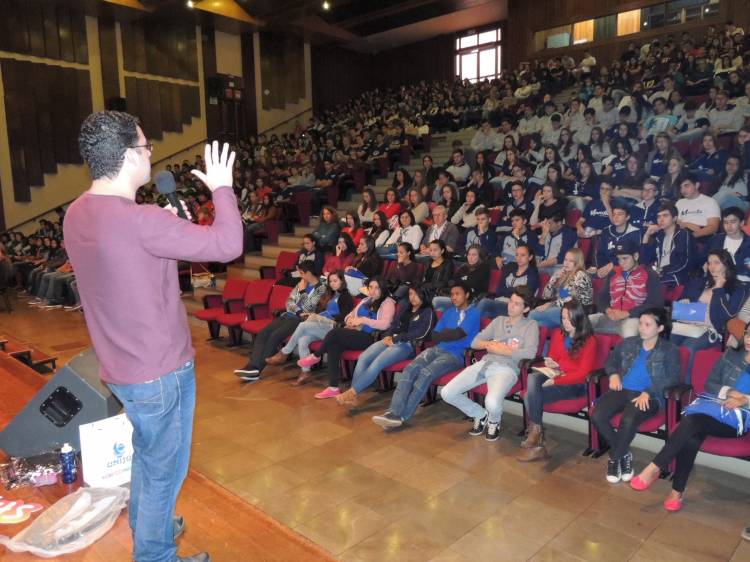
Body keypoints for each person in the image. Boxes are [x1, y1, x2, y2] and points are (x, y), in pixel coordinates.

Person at [65, 112, 243, 562]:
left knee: (148, 456)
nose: (150, 154)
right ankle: (155, 554)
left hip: (121, 367)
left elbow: (125, 261)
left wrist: (165, 227)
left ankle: (152, 527)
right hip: (160, 370)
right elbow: (228, 245)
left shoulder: (77, 213)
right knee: (164, 470)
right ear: (128, 156)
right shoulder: (142, 221)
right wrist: (222, 187)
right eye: (145, 147)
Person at [631, 322, 750, 511]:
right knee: (692, 435)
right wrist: (730, 392)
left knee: (691, 423)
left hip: (738, 420)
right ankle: (675, 491)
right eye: (748, 334)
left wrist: (744, 400)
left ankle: (657, 468)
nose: (749, 339)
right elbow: (710, 384)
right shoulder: (731, 355)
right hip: (712, 408)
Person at [371, 282, 480, 429]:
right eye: (452, 294)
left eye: (457, 294)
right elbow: (434, 335)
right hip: (437, 348)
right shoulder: (449, 312)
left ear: (466, 295)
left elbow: (458, 333)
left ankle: (402, 416)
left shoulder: (474, 313)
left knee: (425, 373)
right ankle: (393, 412)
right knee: (410, 369)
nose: (453, 297)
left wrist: (446, 334)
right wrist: (449, 334)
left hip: (456, 355)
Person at [591, 308, 680, 484]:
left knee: (629, 419)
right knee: (598, 415)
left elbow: (673, 378)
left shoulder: (670, 350)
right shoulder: (628, 343)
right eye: (640, 323)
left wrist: (649, 392)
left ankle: (614, 459)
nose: (642, 328)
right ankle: (624, 454)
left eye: (647, 324)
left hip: (650, 396)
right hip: (623, 389)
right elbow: (610, 361)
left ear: (660, 328)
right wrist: (613, 374)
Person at [441, 287, 539, 441]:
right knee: (447, 393)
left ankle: (494, 421)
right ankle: (480, 414)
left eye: (517, 304)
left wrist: (504, 351)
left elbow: (530, 353)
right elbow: (474, 342)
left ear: (526, 308)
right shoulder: (498, 321)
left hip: (507, 369)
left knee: (492, 402)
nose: (511, 306)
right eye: (511, 301)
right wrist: (490, 344)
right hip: (485, 363)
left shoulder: (531, 325)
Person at [517, 299, 597, 461]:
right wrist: (551, 363)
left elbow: (583, 374)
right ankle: (537, 434)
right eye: (563, 318)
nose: (565, 322)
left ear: (578, 318)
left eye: (569, 318)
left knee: (528, 396)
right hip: (557, 374)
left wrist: (555, 381)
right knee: (533, 377)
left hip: (575, 385)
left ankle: (537, 439)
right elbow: (554, 358)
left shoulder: (590, 341)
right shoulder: (558, 334)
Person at [336, 287, 437, 408]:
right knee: (364, 357)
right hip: (391, 340)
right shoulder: (406, 307)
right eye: (410, 294)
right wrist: (388, 335)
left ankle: (352, 392)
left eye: (416, 294)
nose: (412, 297)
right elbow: (394, 324)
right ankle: (353, 394)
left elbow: (421, 333)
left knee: (377, 362)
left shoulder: (428, 312)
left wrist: (396, 339)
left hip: (407, 345)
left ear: (423, 295)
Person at [298, 277, 396, 399]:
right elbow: (350, 314)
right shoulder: (365, 300)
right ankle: (333, 387)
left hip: (369, 338)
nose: (373, 290)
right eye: (371, 287)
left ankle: (316, 355)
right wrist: (349, 320)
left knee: (334, 333)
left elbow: (385, 324)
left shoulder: (388, 303)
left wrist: (364, 320)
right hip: (354, 333)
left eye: (377, 288)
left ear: (383, 289)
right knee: (334, 345)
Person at [234, 262, 326, 382]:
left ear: (308, 273)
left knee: (275, 336)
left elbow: (308, 307)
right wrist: (298, 310)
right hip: (288, 315)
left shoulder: (320, 288)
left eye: (302, 273)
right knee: (263, 333)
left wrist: (302, 292)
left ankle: (257, 369)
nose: (300, 276)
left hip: (300, 321)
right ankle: (252, 366)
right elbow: (289, 301)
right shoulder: (301, 283)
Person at [267, 270, 353, 386]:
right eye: (330, 281)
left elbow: (345, 317)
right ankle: (305, 372)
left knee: (302, 325)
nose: (332, 283)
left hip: (334, 328)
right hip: (321, 326)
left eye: (335, 281)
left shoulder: (346, 297)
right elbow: (320, 310)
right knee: (303, 340)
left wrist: (324, 317)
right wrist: (313, 315)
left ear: (342, 281)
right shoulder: (330, 294)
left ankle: (284, 352)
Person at [671, 249, 748, 366]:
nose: (712, 266)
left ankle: (686, 379)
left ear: (726, 265)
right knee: (671, 341)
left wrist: (719, 288)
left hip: (712, 331)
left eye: (716, 262)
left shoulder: (738, 288)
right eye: (709, 263)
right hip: (688, 325)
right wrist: (684, 302)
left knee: (689, 346)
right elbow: (680, 304)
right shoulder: (701, 282)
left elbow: (728, 315)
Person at [590, 241, 663, 338]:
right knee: (579, 323)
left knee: (629, 332)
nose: (621, 263)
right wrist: (607, 310)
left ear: (636, 256)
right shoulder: (613, 273)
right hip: (610, 316)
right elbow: (601, 297)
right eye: (619, 259)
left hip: (633, 318)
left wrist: (627, 313)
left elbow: (655, 304)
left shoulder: (650, 274)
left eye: (625, 258)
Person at [530, 248, 593, 328]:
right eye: (565, 260)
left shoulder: (581, 275)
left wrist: (550, 304)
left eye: (571, 261)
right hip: (562, 309)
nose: (566, 263)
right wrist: (553, 279)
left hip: (576, 312)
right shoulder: (564, 274)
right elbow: (546, 296)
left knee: (532, 314)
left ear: (577, 262)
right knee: (536, 324)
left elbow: (571, 299)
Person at [641, 202, 695, 288]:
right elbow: (644, 260)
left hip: (676, 278)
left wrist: (662, 271)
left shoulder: (683, 235)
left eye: (665, 216)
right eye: (659, 217)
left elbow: (684, 262)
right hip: (659, 277)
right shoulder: (659, 238)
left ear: (674, 218)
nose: (661, 219)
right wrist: (646, 235)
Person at [478, 244, 539, 318]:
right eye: (517, 255)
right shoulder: (510, 267)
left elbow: (525, 294)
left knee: (484, 303)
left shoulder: (533, 274)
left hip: (515, 305)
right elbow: (499, 290)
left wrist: (509, 291)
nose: (519, 258)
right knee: (484, 313)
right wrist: (513, 290)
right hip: (499, 301)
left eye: (523, 255)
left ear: (530, 257)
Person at [432, 244, 489, 311]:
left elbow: (472, 284)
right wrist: (463, 281)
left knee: (436, 301)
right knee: (440, 308)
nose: (470, 257)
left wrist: (461, 281)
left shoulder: (483, 267)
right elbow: (452, 281)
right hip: (457, 296)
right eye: (469, 254)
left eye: (474, 255)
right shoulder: (464, 267)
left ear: (479, 257)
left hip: (471, 300)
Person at [593, 202, 642, 278]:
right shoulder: (606, 231)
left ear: (627, 217)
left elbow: (633, 258)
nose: (616, 217)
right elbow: (601, 254)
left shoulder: (634, 232)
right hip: (606, 268)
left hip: (626, 270)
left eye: (620, 214)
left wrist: (613, 266)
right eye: (614, 214)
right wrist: (602, 268)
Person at [708, 207, 750, 282]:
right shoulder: (715, 240)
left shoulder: (748, 243)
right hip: (715, 278)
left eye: (733, 222)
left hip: (741, 280)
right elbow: (702, 259)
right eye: (726, 222)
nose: (729, 226)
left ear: (742, 223)